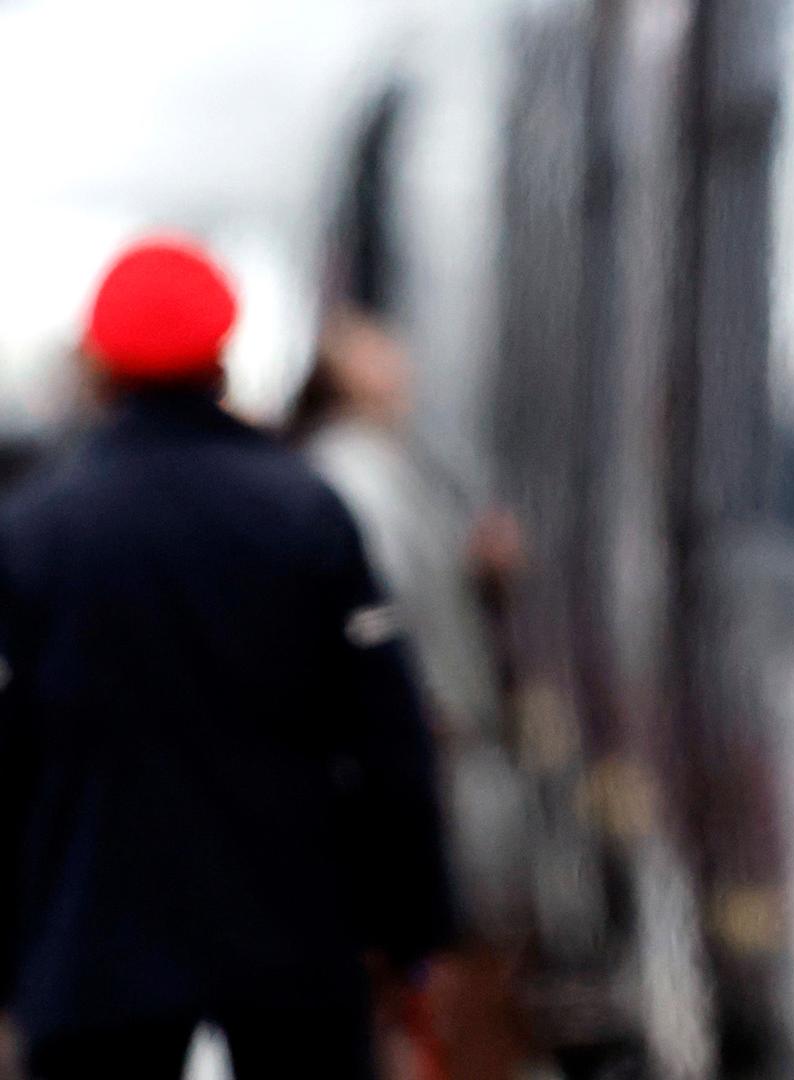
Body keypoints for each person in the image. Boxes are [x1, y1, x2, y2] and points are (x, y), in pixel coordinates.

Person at [0, 236, 453, 1079]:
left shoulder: (35, 533)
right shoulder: (306, 513)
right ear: (222, 358)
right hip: (293, 946)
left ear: (100, 365)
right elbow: (391, 738)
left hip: (89, 948)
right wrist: (412, 931)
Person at [287, 305, 533, 1080]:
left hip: (438, 757)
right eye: (373, 350)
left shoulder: (386, 465)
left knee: (458, 978)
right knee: (449, 979)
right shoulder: (356, 472)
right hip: (436, 758)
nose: (401, 361)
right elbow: (381, 624)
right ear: (340, 374)